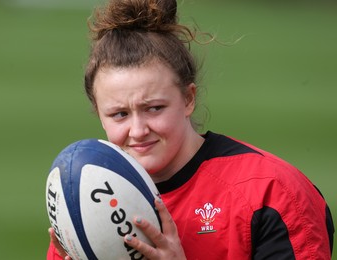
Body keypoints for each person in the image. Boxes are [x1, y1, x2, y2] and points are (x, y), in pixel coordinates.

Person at [47, 0, 334, 259]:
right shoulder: (85, 204)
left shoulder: (273, 193)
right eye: (119, 114)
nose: (138, 130)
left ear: (188, 99)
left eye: (154, 108)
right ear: (99, 114)